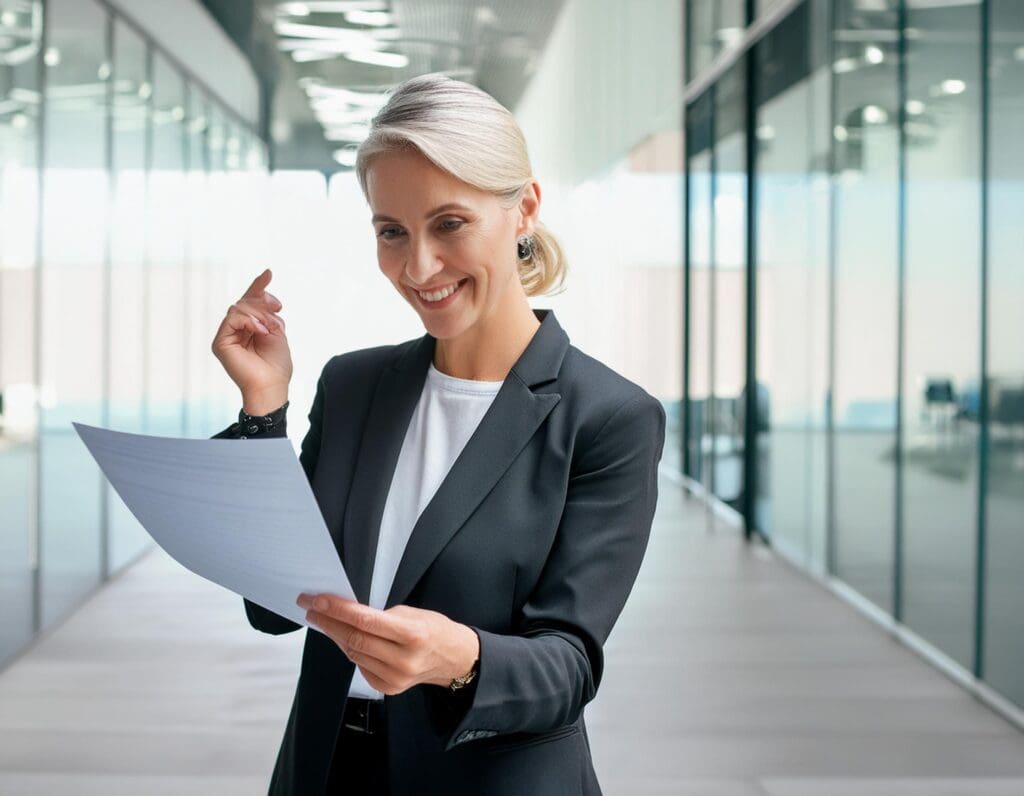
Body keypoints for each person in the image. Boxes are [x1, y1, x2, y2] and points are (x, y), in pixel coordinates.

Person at [209, 72, 666, 796]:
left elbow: (570, 665)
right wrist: (263, 409)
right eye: (392, 232)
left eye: (448, 224)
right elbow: (272, 608)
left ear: (525, 210)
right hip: (325, 770)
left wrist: (462, 658)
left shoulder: (606, 417)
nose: (417, 267)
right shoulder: (354, 387)